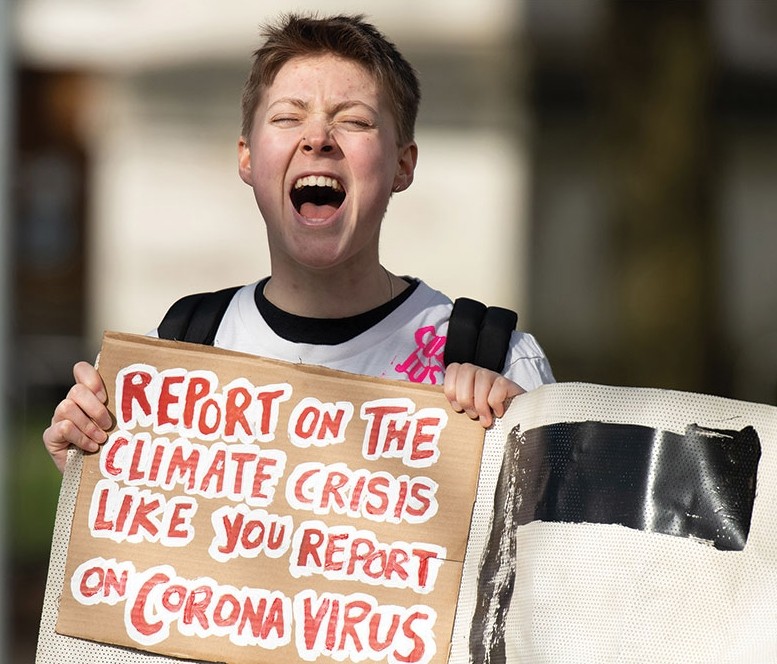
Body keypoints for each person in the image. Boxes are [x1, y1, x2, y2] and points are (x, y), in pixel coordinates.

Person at [42, 13, 554, 473]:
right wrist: (89, 473)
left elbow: (566, 542)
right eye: (288, 117)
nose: (318, 138)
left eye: (354, 120)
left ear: (402, 165)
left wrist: (522, 452)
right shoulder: (174, 364)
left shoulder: (501, 361)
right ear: (247, 158)